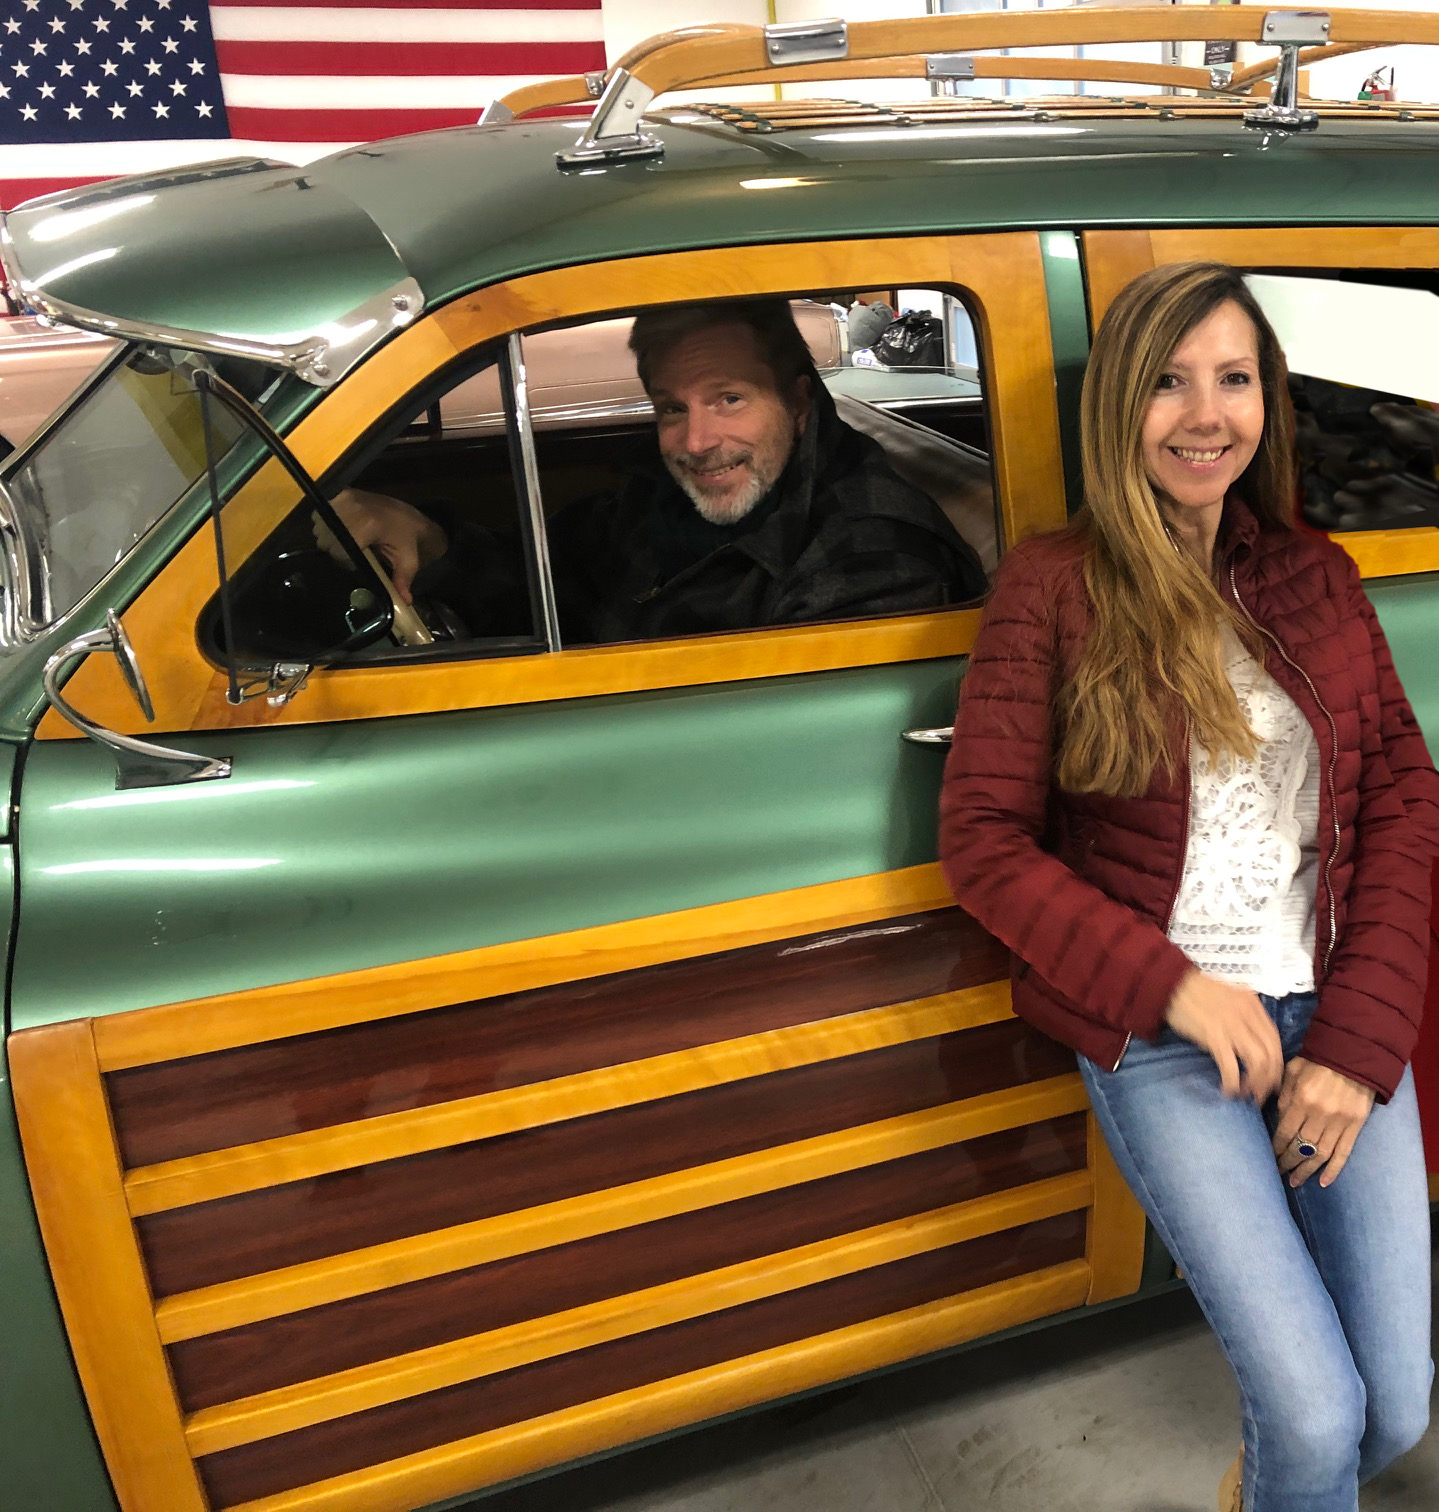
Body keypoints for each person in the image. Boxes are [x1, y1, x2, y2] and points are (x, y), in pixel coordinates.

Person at [939, 261, 1439, 1512]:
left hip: (1332, 1016)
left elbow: (1403, 803)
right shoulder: (1052, 586)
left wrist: (1355, 1046)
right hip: (1161, 1042)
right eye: (1166, 382)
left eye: (1231, 378)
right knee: (1315, 1415)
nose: (1202, 414)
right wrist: (1173, 990)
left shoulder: (1311, 576)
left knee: (1394, 1405)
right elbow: (985, 844)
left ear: (1266, 397)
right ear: (1118, 404)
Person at [327, 299, 987, 643]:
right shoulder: (661, 501)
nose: (697, 441)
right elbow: (542, 574)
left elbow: (775, 753)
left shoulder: (874, 561)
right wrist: (428, 537)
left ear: (797, 402)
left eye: (729, 399)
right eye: (673, 407)